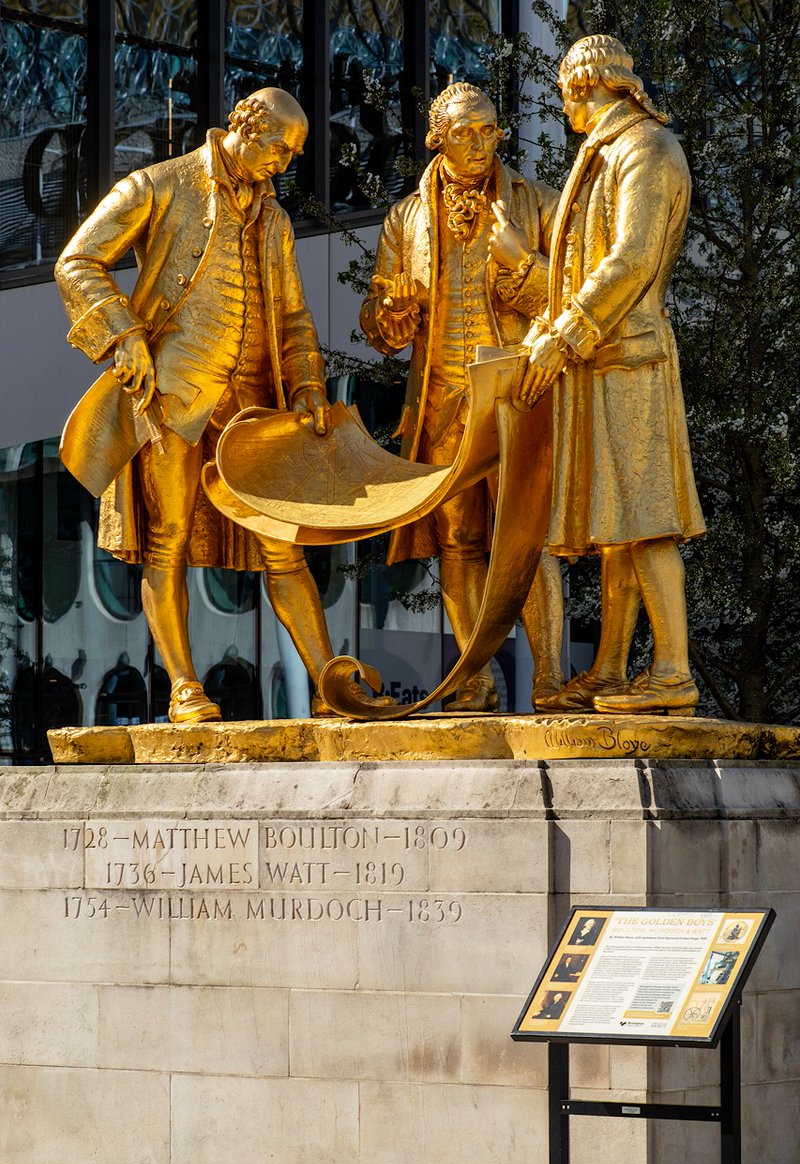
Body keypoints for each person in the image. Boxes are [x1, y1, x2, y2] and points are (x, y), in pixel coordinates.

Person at [56, 89, 353, 723]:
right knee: (169, 540)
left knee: (284, 543)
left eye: (295, 154)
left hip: (256, 405)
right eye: (280, 147)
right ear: (247, 126)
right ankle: (186, 688)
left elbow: (295, 317)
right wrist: (124, 335)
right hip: (175, 396)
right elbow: (77, 260)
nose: (285, 162)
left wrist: (305, 385)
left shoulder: (274, 219)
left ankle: (330, 682)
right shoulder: (158, 185)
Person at [360, 82, 565, 712]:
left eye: (489, 131)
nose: (478, 144)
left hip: (516, 388)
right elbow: (380, 326)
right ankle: (473, 678)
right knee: (458, 541)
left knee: (528, 535)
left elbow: (570, 303)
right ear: (436, 138)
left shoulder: (539, 203)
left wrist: (524, 263)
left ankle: (552, 681)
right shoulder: (405, 217)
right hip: (443, 395)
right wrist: (390, 313)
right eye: (464, 132)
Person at [523, 36, 706, 715]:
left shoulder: (646, 150)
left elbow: (630, 260)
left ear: (583, 86)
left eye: (565, 88)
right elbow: (580, 266)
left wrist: (567, 330)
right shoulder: (608, 150)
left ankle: (672, 673)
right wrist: (553, 329)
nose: (563, 102)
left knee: (647, 516)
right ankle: (609, 668)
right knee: (617, 522)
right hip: (602, 357)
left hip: (629, 355)